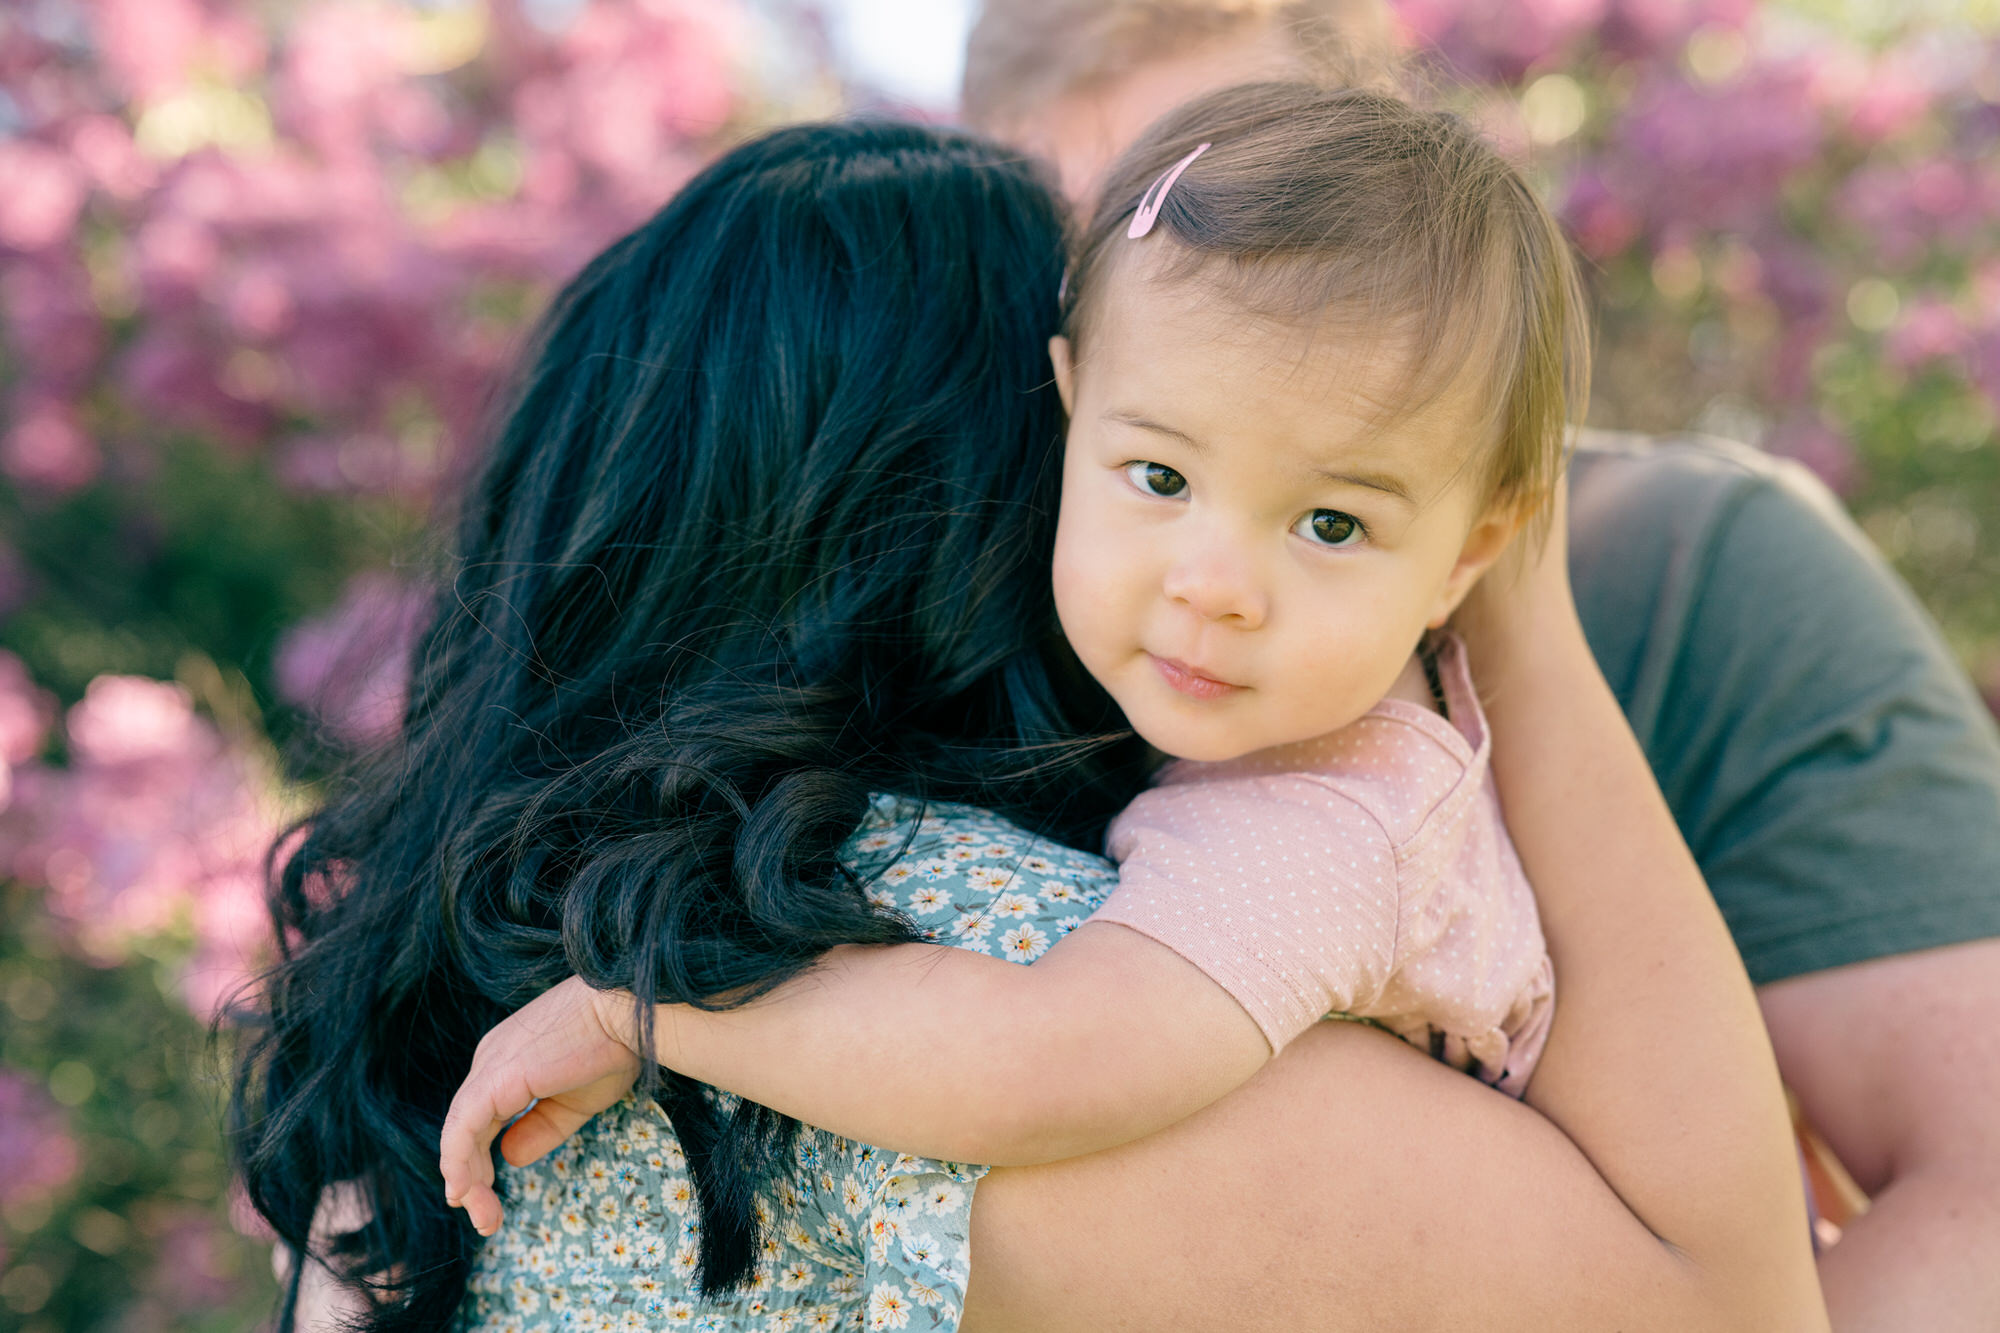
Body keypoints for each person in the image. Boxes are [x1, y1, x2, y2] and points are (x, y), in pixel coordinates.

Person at [254, 103, 1823, 1331]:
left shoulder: (410, 1053)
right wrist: (1518, 608)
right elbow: (1737, 1312)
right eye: (1152, 466)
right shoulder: (988, 959)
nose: (1207, 574)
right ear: (996, 494)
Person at [955, 2, 2000, 1327]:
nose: (1212, 322)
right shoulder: (962, 603)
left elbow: (1981, 1185)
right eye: (1088, 246)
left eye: (1269, 196)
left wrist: (1517, 615)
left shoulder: (1697, 569)